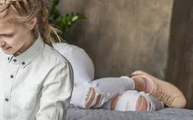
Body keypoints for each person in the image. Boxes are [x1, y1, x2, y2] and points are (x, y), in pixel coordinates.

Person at [53, 42, 186, 111]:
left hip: (65, 57)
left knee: (87, 95)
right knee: (140, 105)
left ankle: (138, 82)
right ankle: (160, 103)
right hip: (55, 88)